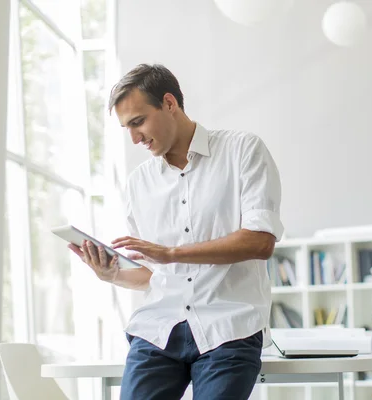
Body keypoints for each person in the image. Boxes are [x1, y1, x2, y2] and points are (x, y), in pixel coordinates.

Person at [68, 63, 283, 400]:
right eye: (127, 128)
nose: (135, 138)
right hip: (157, 331)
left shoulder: (243, 151)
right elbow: (155, 276)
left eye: (138, 122)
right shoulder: (139, 183)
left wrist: (170, 253)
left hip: (228, 327)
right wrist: (112, 274)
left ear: (169, 103)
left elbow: (259, 241)